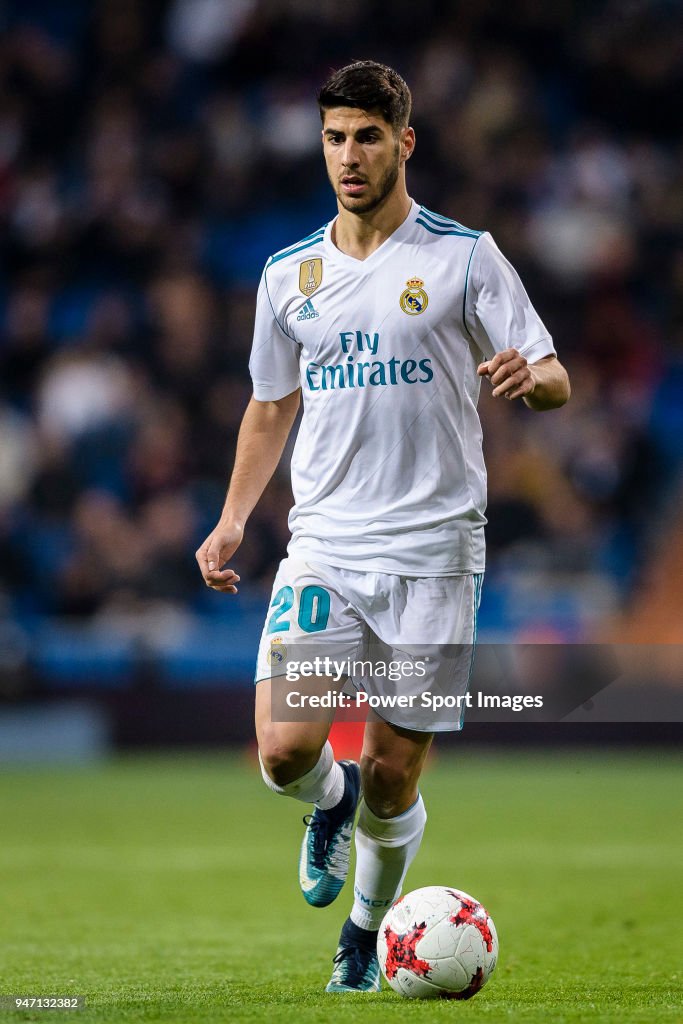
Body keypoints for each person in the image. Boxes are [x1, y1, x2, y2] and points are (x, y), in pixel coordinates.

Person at [196, 60, 570, 993]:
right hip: (327, 541)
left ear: (404, 141)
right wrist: (233, 517)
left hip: (438, 551)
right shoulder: (290, 274)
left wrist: (533, 381)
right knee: (284, 751)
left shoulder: (464, 257)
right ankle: (330, 800)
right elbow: (269, 405)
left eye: (366, 136)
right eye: (333, 138)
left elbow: (555, 372)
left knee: (397, 775)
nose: (347, 156)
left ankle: (363, 937)